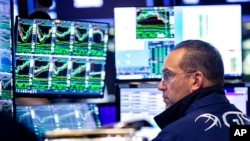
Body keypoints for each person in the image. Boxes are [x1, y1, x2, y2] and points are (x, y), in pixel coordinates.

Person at [152, 40, 250, 141]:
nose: (160, 86)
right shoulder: (244, 124)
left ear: (196, 80)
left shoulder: (174, 135)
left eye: (168, 75)